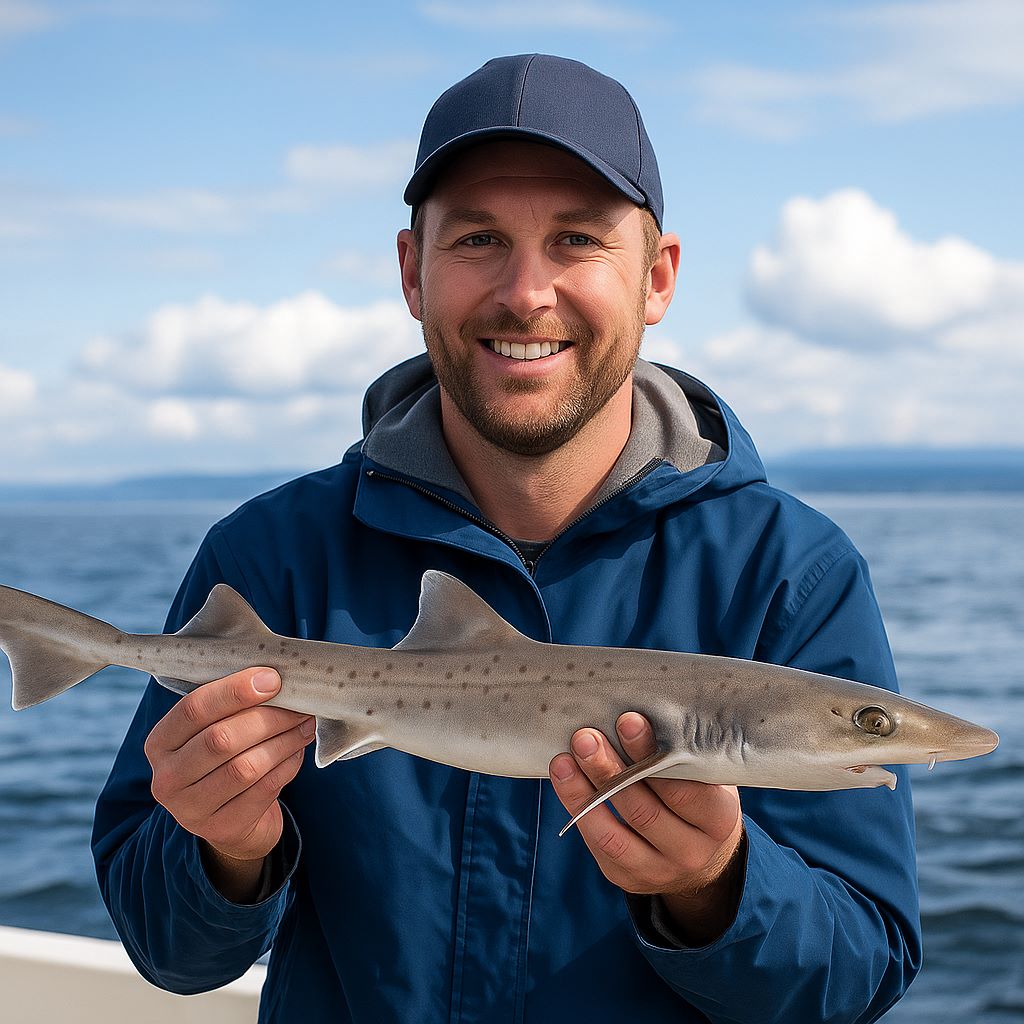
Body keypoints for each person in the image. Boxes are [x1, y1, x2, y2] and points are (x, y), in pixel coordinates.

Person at [92, 54, 921, 1022]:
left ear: (656, 279)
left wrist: (716, 888)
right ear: (411, 272)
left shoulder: (789, 578)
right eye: (479, 239)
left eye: (575, 239)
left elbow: (860, 974)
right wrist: (223, 853)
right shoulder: (270, 559)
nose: (526, 293)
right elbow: (169, 953)